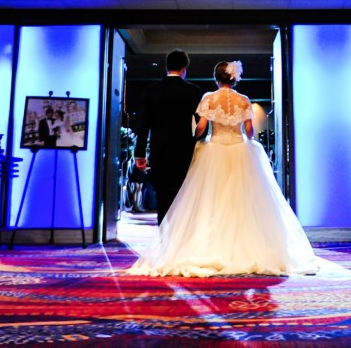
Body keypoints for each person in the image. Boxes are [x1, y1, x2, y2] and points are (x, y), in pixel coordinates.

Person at [128, 60, 319, 277]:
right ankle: (247, 244)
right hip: (240, 151)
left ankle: (210, 243)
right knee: (242, 199)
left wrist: (193, 138)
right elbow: (249, 132)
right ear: (234, 78)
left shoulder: (209, 98)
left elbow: (201, 127)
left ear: (216, 78)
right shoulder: (243, 100)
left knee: (212, 199)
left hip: (215, 150)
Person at [132, 49, 204, 224]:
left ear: (166, 67)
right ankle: (181, 233)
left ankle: (164, 233)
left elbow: (144, 125)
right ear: (184, 69)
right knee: (182, 195)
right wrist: (196, 142)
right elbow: (201, 124)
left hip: (159, 150)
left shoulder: (151, 91)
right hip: (184, 151)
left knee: (162, 196)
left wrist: (139, 153)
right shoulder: (193, 91)